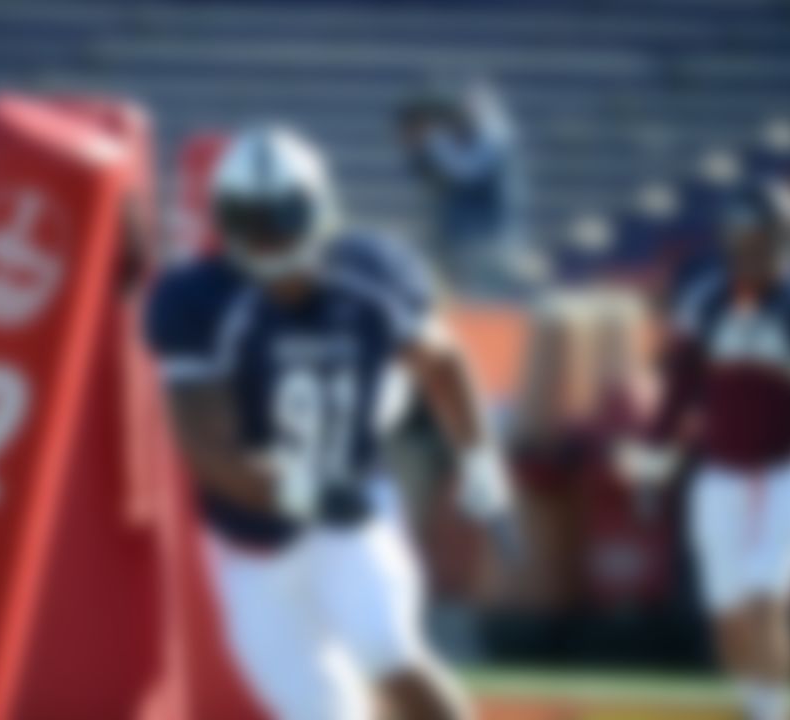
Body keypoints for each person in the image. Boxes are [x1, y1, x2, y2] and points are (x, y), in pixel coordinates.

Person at [144, 125, 519, 720]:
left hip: (351, 513)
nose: (266, 240)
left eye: (281, 218)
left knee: (391, 653)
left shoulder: (372, 271)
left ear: (319, 208)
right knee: (321, 712)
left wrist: (480, 461)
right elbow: (207, 449)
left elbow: (442, 361)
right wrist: (298, 490)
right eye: (250, 220)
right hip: (248, 542)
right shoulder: (199, 298)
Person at [619, 183, 790, 720]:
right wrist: (653, 461)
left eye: (757, 237)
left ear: (784, 238)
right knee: (726, 612)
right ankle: (755, 706)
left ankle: (773, 712)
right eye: (740, 237)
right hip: (719, 476)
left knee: (765, 599)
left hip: (782, 474)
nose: (746, 249)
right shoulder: (707, 300)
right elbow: (680, 389)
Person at [396, 81, 529, 297]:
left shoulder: (495, 137)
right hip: (461, 240)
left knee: (485, 307)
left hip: (488, 241)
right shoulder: (464, 140)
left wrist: (433, 141)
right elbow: (426, 173)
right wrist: (420, 146)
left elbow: (464, 173)